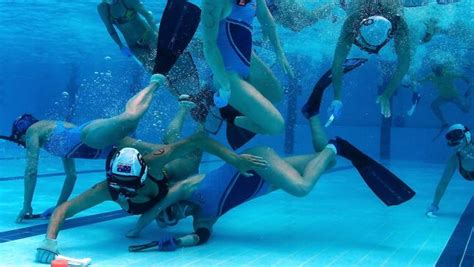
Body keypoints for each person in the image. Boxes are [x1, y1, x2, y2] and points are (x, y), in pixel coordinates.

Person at [126, 117, 416, 251]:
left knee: (302, 189)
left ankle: (335, 146)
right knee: (322, 164)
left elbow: (154, 208)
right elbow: (202, 237)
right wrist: (175, 242)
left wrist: (138, 230)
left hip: (259, 161)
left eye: (167, 212)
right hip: (267, 182)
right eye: (170, 220)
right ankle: (314, 117)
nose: (171, 215)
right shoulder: (203, 218)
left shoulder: (186, 188)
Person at [34, 124, 267, 264]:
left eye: (131, 185)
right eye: (119, 185)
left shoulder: (153, 164)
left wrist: (235, 160)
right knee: (169, 213)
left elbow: (198, 141)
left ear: (143, 174)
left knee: (192, 158)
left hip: (168, 175)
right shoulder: (106, 189)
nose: (125, 191)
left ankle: (197, 115)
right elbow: (65, 209)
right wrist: (49, 240)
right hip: (158, 185)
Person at [3, 75, 166, 223]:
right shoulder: (53, 139)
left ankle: (154, 83)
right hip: (106, 149)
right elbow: (71, 176)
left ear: (22, 132)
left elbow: (31, 171)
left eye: (21, 141)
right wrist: (60, 208)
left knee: (130, 118)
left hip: (91, 136)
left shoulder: (33, 130)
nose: (24, 145)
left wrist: (27, 206)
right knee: (158, 152)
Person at [202, 0, 293, 135]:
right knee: (276, 127)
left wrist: (279, 53)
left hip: (247, 60)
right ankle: (227, 113)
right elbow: (209, 47)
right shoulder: (214, 3)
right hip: (227, 73)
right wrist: (224, 83)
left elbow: (266, 18)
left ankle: (232, 108)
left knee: (275, 95)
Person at [330, 0, 411, 120]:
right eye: (365, 46)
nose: (369, 52)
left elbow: (404, 64)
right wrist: (336, 97)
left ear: (390, 33)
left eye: (374, 49)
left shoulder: (399, 24)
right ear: (357, 31)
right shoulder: (351, 24)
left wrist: (387, 94)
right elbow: (337, 64)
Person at [426, 124, 474, 217]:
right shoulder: (455, 159)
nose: (457, 148)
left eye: (459, 143)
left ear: (467, 137)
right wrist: (434, 205)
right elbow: (443, 183)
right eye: (455, 144)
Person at [97, 0, 158, 67]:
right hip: (134, 46)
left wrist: (156, 31)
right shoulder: (102, 8)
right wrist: (121, 46)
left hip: (149, 37)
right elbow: (110, 28)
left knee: (163, 60)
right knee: (151, 68)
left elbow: (147, 15)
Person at [416, 63, 472, 132]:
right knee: (433, 106)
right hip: (443, 97)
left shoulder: (449, 74)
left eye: (439, 71)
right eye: (436, 71)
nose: (438, 73)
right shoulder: (432, 76)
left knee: (466, 110)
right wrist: (413, 82)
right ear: (433, 71)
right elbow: (422, 80)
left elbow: (462, 76)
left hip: (454, 96)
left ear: (442, 69)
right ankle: (444, 122)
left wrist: (469, 83)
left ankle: (467, 98)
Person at [265, 0, 335, 32]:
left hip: (280, 2)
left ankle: (334, 3)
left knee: (310, 19)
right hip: (271, 10)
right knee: (296, 28)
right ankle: (327, 12)